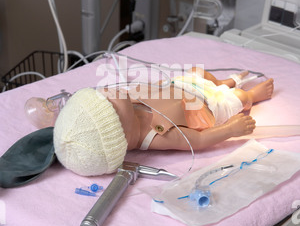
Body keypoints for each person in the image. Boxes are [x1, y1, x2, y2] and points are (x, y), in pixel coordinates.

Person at [53, 67, 274, 177]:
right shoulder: (157, 135)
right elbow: (196, 139)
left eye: (100, 93)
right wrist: (230, 129)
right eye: (110, 102)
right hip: (209, 106)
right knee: (239, 99)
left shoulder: (130, 103)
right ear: (120, 132)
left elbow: (155, 88)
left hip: (183, 86)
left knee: (198, 71)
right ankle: (253, 95)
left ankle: (221, 82)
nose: (107, 91)